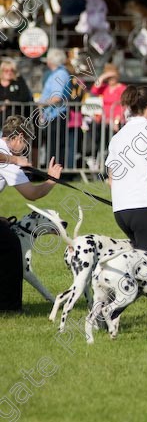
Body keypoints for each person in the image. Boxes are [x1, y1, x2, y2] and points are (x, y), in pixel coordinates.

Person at [0, 115, 62, 311]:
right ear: (18, 137)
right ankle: (9, 306)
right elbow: (32, 194)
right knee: (11, 247)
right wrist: (52, 180)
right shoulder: (9, 160)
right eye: (25, 142)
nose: (25, 147)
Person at [105, 86, 147, 250]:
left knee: (140, 261)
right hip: (142, 207)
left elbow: (111, 180)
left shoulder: (117, 137)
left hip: (120, 211)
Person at [37, 49, 72, 167]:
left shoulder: (59, 74)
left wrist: (41, 103)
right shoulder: (58, 73)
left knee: (55, 146)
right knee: (54, 145)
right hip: (53, 115)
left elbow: (57, 97)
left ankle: (54, 172)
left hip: (56, 115)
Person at [0, 58, 32, 124]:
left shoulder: (19, 81)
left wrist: (9, 102)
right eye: (6, 70)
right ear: (1, 71)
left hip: (16, 122)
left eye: (12, 70)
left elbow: (25, 96)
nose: (9, 72)